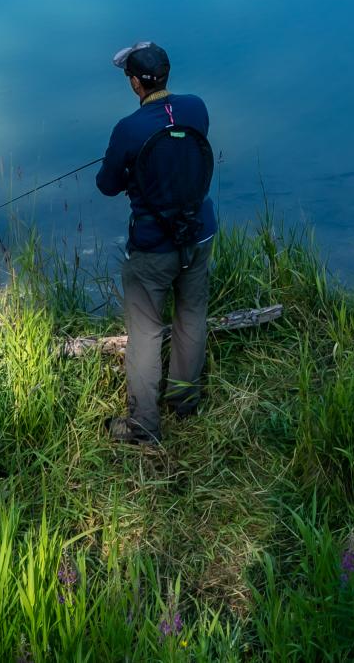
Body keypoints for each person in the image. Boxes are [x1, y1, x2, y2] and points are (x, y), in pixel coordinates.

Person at [95, 40, 216, 444]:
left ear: (134, 84)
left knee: (146, 332)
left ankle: (143, 426)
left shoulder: (128, 129)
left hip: (153, 246)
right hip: (199, 233)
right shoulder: (196, 107)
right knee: (192, 313)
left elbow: (107, 185)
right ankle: (184, 401)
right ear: (166, 75)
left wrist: (131, 170)